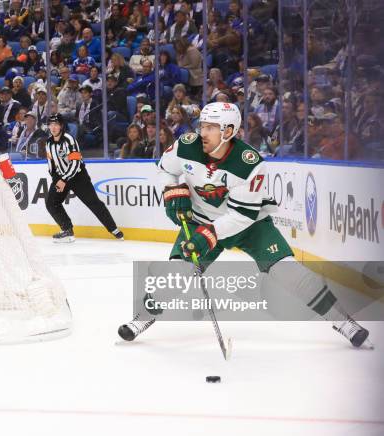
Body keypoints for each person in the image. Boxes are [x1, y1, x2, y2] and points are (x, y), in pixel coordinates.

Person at [149, 102, 370, 347]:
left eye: (211, 127)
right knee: (175, 275)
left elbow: (241, 216)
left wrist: (208, 235)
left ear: (228, 130)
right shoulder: (187, 145)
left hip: (250, 225)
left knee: (288, 272)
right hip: (201, 219)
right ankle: (142, 318)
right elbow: (164, 170)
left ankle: (343, 322)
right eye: (203, 125)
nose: (203, 133)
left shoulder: (250, 163)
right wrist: (171, 190)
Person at [44, 114, 124, 243]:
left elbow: (75, 164)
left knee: (93, 203)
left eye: (56, 124)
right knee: (51, 203)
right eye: (51, 124)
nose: (53, 127)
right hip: (61, 177)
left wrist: (64, 180)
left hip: (78, 177)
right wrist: (56, 179)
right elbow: (51, 165)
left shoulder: (69, 140)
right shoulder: (48, 143)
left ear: (61, 126)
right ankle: (67, 231)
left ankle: (114, 229)